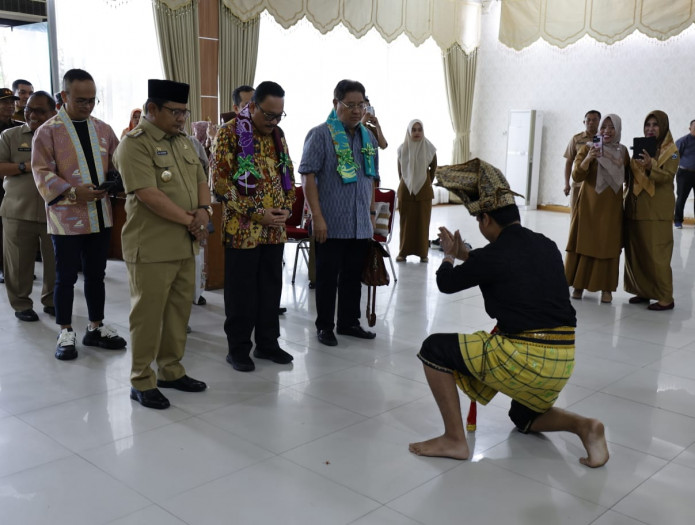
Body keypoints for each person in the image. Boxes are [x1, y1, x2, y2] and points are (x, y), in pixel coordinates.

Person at [409, 158, 609, 468]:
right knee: (522, 415)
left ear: (486, 219)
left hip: (526, 358)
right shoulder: (546, 245)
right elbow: (504, 263)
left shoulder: (495, 255)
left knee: (434, 349)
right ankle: (584, 426)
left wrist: (449, 256)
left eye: (479, 221)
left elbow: (447, 283)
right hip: (562, 360)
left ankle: (453, 439)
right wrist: (464, 253)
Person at [113, 79, 210, 409]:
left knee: (178, 312)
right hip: (151, 246)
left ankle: (171, 369)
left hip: (184, 245)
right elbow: (148, 194)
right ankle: (141, 379)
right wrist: (191, 221)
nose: (181, 118)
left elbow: (200, 178)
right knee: (148, 315)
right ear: (152, 109)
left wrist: (205, 210)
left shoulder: (183, 141)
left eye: (185, 112)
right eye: (175, 111)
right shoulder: (133, 145)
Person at [32, 68, 127, 360]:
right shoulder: (47, 131)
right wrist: (74, 192)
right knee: (66, 277)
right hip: (67, 219)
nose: (87, 106)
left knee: (97, 275)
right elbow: (41, 171)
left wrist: (115, 181)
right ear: (64, 96)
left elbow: (119, 162)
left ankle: (95, 327)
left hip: (100, 213)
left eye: (92, 100)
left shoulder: (103, 129)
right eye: (81, 100)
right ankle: (65, 330)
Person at [211, 81, 295, 372]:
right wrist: (257, 213)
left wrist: (287, 206)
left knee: (271, 289)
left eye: (278, 116)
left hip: (275, 230)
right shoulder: (229, 133)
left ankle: (268, 344)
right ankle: (238, 349)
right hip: (242, 230)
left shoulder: (278, 135)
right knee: (241, 293)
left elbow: (288, 173)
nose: (273, 122)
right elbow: (221, 184)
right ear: (253, 106)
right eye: (268, 115)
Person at [299, 79, 379, 347]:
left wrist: (370, 214)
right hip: (330, 222)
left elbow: (372, 179)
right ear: (336, 104)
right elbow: (307, 177)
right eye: (350, 105)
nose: (357, 110)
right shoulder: (321, 134)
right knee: (327, 277)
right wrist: (317, 216)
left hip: (360, 224)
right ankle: (325, 326)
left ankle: (348, 322)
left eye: (361, 105)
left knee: (353, 276)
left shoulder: (369, 137)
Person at [0, 91, 57, 321]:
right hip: (17, 210)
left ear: (53, 112)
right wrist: (27, 166)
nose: (32, 114)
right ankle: (21, 304)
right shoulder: (10, 136)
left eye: (40, 110)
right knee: (18, 263)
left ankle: (52, 300)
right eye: (28, 109)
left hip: (54, 210)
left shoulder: (61, 137)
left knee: (55, 261)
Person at [565, 114, 628, 304]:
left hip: (611, 207)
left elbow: (629, 177)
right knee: (586, 241)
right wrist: (588, 159)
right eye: (604, 127)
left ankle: (606, 288)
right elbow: (576, 176)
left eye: (611, 127)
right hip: (589, 205)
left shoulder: (623, 152)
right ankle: (578, 285)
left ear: (618, 130)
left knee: (608, 244)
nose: (607, 131)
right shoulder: (588, 147)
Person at [624, 110, 679, 311]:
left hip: (657, 211)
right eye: (647, 125)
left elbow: (667, 176)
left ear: (663, 126)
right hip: (636, 209)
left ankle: (666, 297)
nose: (650, 129)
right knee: (638, 253)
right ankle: (643, 291)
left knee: (657, 255)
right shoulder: (640, 148)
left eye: (655, 125)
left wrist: (650, 165)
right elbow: (629, 178)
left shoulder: (671, 150)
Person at [396, 119, 437, 263]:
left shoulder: (429, 148)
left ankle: (423, 253)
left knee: (423, 223)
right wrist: (407, 182)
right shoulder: (402, 148)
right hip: (406, 191)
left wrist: (427, 183)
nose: (417, 132)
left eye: (419, 129)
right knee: (405, 224)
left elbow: (433, 168)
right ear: (409, 131)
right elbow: (400, 171)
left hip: (423, 192)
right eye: (413, 129)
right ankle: (403, 253)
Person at [0, 87, 23, 283]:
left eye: (11, 102)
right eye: (4, 102)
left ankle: (21, 268)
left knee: (18, 233)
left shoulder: (19, 127)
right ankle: (2, 267)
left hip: (16, 185)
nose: (9, 105)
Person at [564, 110, 600, 215]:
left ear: (599, 122)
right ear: (584, 122)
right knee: (576, 214)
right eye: (588, 120)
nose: (591, 122)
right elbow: (569, 162)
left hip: (595, 185)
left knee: (592, 215)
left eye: (594, 120)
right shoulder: (576, 139)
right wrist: (566, 184)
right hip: (578, 184)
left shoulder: (604, 139)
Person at [673, 119, 695, 228]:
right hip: (684, 173)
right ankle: (678, 221)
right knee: (681, 197)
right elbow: (674, 155)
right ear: (690, 128)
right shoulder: (683, 141)